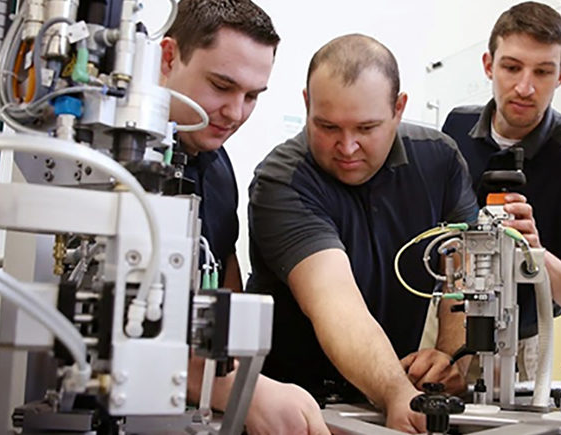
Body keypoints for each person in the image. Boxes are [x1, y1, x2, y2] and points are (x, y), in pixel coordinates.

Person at [246, 34, 479, 433]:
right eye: (328, 126)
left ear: (399, 108)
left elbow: (463, 276)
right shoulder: (282, 181)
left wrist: (451, 357)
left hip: (395, 397)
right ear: (307, 104)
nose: (347, 146)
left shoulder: (439, 161)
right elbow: (336, 303)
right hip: (294, 411)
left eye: (366, 127)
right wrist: (394, 391)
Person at [159, 1, 329, 433]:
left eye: (252, 96)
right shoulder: (102, 162)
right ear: (167, 57)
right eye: (221, 86)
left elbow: (224, 278)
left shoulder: (216, 168)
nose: (236, 113)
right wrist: (230, 389)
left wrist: (240, 377)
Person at [440, 1, 561, 380]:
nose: (524, 87)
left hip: (529, 345)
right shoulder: (455, 128)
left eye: (543, 72)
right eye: (512, 67)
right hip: (450, 326)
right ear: (488, 65)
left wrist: (534, 251)